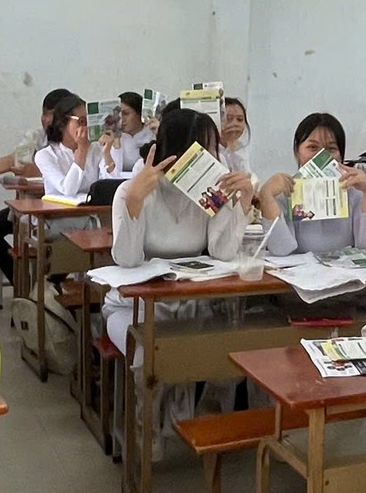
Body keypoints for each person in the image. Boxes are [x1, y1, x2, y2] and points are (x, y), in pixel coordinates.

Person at [102, 108, 255, 351]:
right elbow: (127, 260)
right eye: (202, 150)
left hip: (190, 304)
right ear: (176, 151)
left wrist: (242, 204)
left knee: (219, 354)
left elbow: (223, 252)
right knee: (150, 357)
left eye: (213, 150)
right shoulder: (132, 191)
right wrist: (133, 203)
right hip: (135, 307)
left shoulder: (210, 192)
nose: (212, 159)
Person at [0, 88, 77, 283]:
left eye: (51, 115)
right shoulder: (36, 137)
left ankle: (52, 286)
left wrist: (36, 170)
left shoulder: (78, 140)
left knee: (66, 243)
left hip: (66, 211)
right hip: (32, 208)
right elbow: (15, 159)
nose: (46, 120)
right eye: (44, 114)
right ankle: (24, 283)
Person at [257, 112, 366, 255]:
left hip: (344, 268)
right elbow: (281, 250)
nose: (322, 156)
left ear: (341, 155)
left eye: (331, 149)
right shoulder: (286, 191)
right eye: (312, 147)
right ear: (297, 151)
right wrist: (266, 195)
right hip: (299, 269)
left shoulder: (354, 191)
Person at [35, 94, 101, 203]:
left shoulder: (97, 149)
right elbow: (68, 190)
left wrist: (111, 151)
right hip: (58, 211)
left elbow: (109, 186)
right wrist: (82, 152)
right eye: (82, 121)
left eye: (90, 121)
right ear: (62, 124)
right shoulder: (45, 155)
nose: (87, 127)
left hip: (93, 210)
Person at [94, 92, 156, 179]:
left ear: (139, 114)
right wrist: (116, 146)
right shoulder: (113, 137)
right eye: (118, 114)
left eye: (126, 113)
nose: (121, 118)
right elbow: (111, 176)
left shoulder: (152, 133)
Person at [219, 97, 252, 174]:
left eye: (239, 119)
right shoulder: (209, 149)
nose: (235, 124)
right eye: (229, 119)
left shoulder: (241, 149)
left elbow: (247, 175)